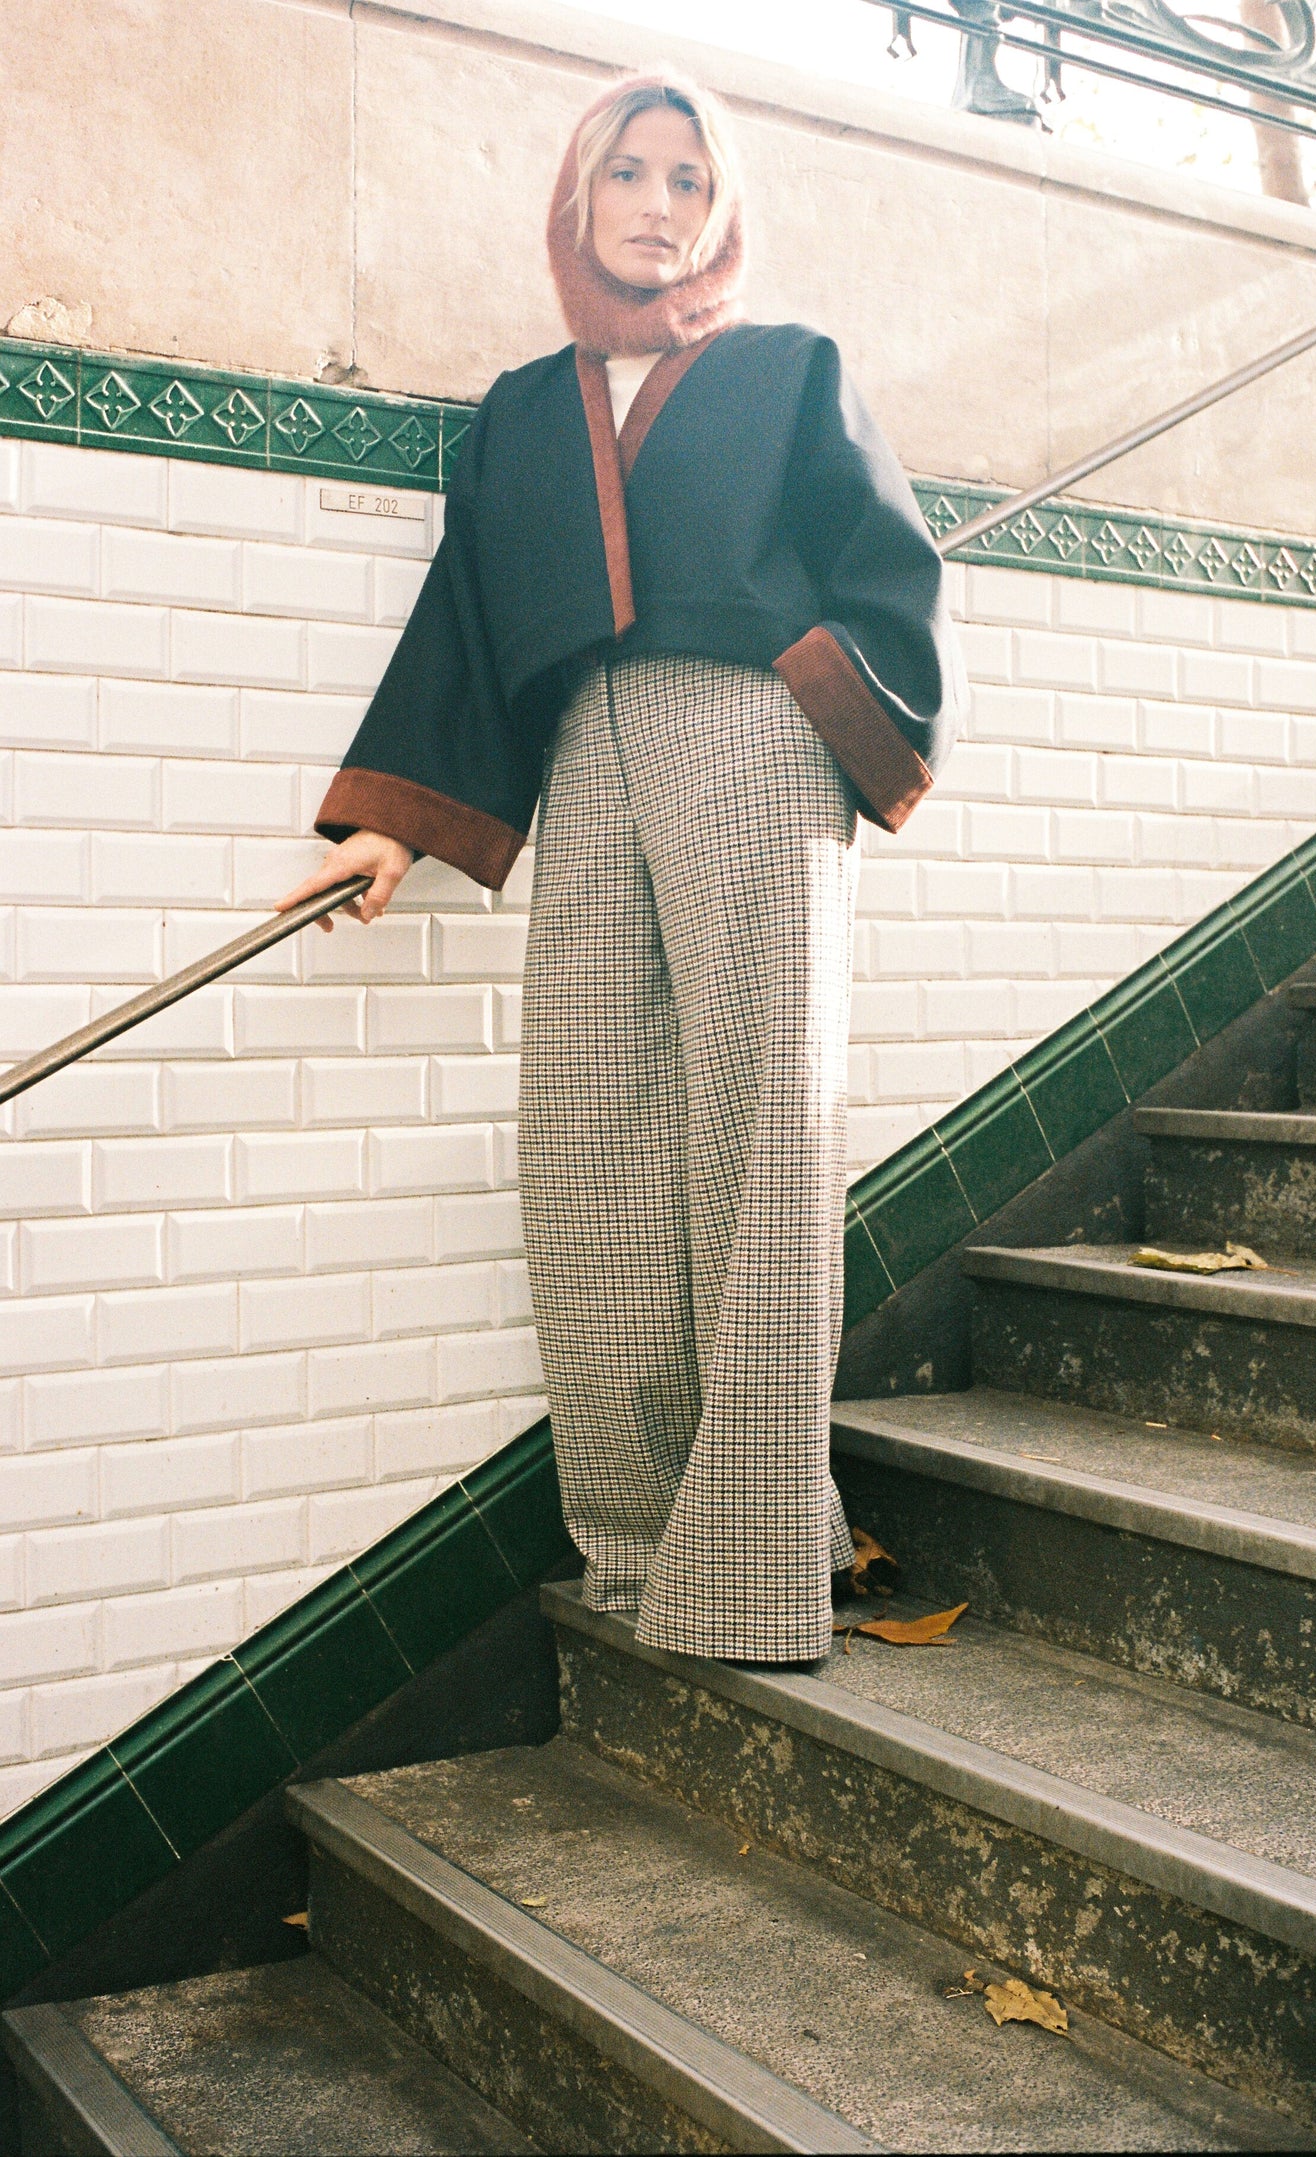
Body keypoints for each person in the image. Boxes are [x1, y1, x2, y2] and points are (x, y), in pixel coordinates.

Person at [278, 71, 965, 1669]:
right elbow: (467, 615)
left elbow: (891, 567)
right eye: (627, 174)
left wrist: (811, 700)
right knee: (587, 1138)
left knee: (755, 1139)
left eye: (686, 177)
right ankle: (641, 1545)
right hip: (584, 753)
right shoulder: (523, 410)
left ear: (719, 207)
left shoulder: (794, 370)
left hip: (751, 739)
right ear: (577, 201)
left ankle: (753, 1558)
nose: (657, 203)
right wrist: (396, 814)